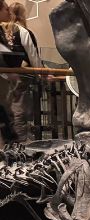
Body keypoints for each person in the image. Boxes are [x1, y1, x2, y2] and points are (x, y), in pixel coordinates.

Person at [0, 0, 42, 144]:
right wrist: (41, 72)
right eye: (5, 9)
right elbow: (32, 54)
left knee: (9, 110)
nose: (8, 12)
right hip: (19, 76)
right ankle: (19, 144)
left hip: (8, 76)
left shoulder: (4, 30)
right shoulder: (22, 31)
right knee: (18, 110)